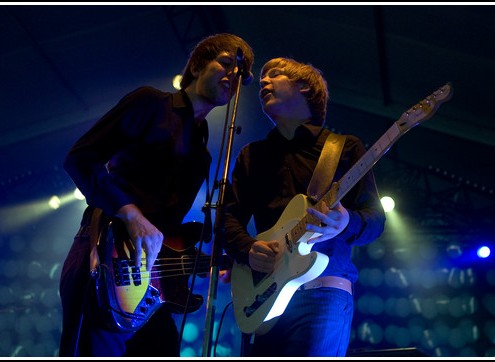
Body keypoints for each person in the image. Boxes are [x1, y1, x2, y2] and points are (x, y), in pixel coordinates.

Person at [58, 33, 254, 357]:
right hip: (103, 251)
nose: (234, 76)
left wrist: (226, 259)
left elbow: (170, 230)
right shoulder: (151, 103)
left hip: (149, 281)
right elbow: (80, 158)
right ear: (197, 65)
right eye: (227, 63)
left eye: (241, 74)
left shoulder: (203, 153)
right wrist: (130, 213)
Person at [222, 57, 386, 357]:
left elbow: (376, 221)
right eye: (261, 79)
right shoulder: (252, 155)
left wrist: (345, 222)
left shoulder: (344, 148)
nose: (263, 82)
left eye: (274, 75)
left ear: (305, 89)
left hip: (322, 292)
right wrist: (247, 248)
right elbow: (227, 218)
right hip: (264, 296)